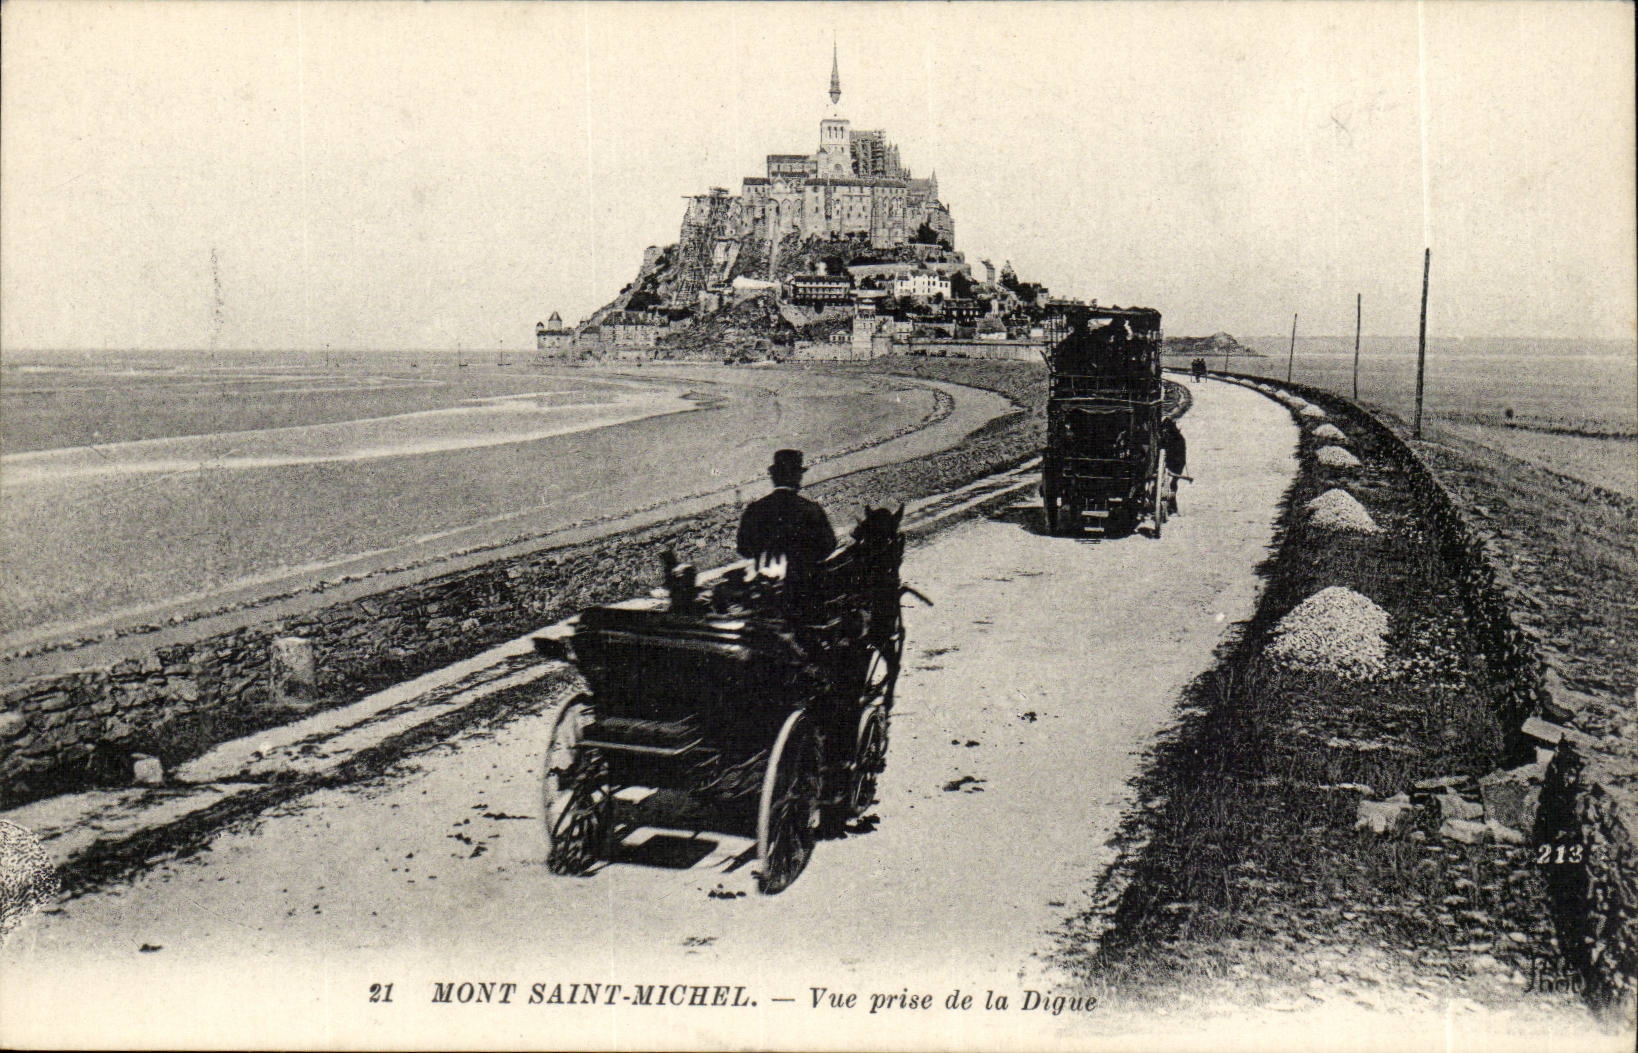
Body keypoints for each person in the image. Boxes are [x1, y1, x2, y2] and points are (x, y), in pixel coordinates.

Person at [737, 449, 836, 585]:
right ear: (796, 477)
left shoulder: (754, 509)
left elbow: (743, 548)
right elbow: (828, 546)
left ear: (774, 478)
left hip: (768, 587)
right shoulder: (810, 509)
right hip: (805, 584)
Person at [1159, 418, 1187, 514]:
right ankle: (1171, 505)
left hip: (1175, 464)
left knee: (1172, 483)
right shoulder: (1178, 438)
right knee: (1170, 484)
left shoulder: (1178, 439)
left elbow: (1180, 456)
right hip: (1171, 463)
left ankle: (1171, 505)